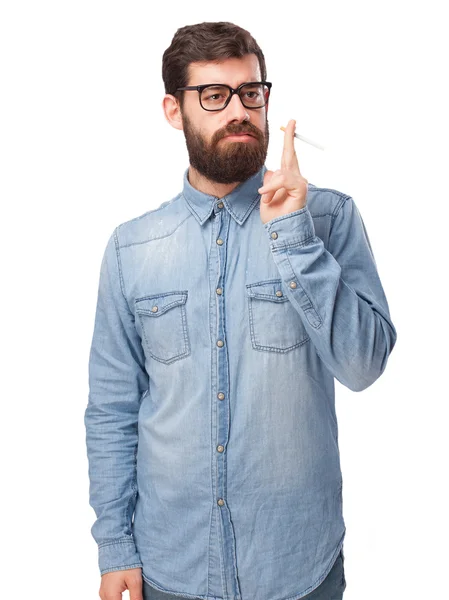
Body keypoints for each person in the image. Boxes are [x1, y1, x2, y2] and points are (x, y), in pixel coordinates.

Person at [84, 21, 397, 600]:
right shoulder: (132, 249)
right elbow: (112, 408)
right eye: (214, 95)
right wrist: (116, 547)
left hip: (299, 568)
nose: (239, 111)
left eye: (250, 93)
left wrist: (296, 240)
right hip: (171, 566)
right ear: (174, 110)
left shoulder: (327, 220)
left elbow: (364, 365)